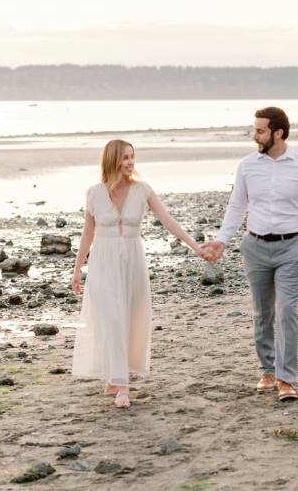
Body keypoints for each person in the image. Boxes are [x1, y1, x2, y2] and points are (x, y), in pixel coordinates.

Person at [71, 140, 208, 408]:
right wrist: (77, 270)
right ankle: (121, 385)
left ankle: (115, 377)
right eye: (125, 158)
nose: (131, 162)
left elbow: (168, 220)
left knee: (129, 317)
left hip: (132, 260)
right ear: (112, 160)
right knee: (110, 318)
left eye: (132, 157)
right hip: (103, 263)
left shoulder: (143, 190)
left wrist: (196, 247)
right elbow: (88, 233)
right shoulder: (94, 193)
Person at [202, 107, 298, 401]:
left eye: (259, 130)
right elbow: (236, 206)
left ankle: (285, 378)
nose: (254, 135)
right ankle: (267, 370)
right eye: (254, 129)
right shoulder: (247, 166)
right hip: (254, 247)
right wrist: (221, 240)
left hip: (291, 248)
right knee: (262, 314)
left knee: (286, 312)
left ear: (277, 133)